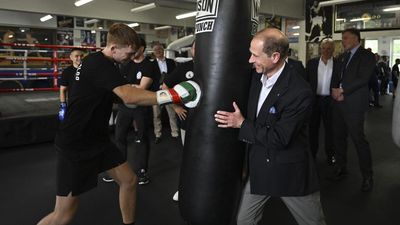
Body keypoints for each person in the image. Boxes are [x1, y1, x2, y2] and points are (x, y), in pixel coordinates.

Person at [36, 23, 200, 225]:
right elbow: (128, 97)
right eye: (129, 54)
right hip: (76, 143)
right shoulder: (99, 64)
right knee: (64, 214)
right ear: (114, 48)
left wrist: (131, 92)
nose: (131, 58)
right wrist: (172, 94)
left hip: (97, 140)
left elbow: (111, 95)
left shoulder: (105, 63)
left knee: (129, 181)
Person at [214, 28, 325, 225]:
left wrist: (241, 123)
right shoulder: (256, 77)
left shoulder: (299, 91)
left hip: (289, 171)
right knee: (244, 221)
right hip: (260, 168)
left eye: (255, 55)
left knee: (313, 223)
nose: (250, 60)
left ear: (275, 56)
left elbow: (279, 138)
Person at [330, 28, 375, 192]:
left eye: (346, 38)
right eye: (342, 38)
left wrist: (343, 91)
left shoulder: (367, 55)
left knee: (359, 140)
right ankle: (341, 168)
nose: (343, 41)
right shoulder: (342, 57)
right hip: (338, 103)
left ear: (356, 38)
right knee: (339, 138)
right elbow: (336, 77)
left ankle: (367, 176)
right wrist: (335, 90)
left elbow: (363, 79)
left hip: (354, 105)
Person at [112, 37, 155, 185]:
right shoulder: (126, 64)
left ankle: (142, 170)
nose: (132, 50)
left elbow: (141, 89)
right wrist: (130, 87)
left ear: (142, 48)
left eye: (136, 47)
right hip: (124, 106)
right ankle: (119, 169)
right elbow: (119, 85)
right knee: (119, 137)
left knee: (141, 138)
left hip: (141, 107)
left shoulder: (149, 65)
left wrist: (128, 87)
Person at [162, 41, 196, 201]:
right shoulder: (184, 68)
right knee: (189, 157)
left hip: (213, 124)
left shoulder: (216, 65)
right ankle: (184, 188)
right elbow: (164, 87)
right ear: (191, 49)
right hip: (188, 122)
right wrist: (175, 107)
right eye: (196, 47)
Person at [305, 38, 337, 164]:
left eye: (329, 48)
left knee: (330, 130)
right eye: (324, 48)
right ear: (320, 49)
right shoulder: (312, 63)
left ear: (333, 50)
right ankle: (312, 154)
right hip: (315, 101)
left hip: (330, 101)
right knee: (313, 129)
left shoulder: (338, 63)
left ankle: (331, 156)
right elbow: (306, 82)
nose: (326, 51)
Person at [151, 43, 179, 144]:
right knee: (156, 115)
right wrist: (158, 87)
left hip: (169, 91)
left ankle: (175, 133)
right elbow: (150, 80)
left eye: (160, 49)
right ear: (153, 52)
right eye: (156, 49)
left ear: (163, 50)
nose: (158, 51)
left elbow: (175, 76)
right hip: (157, 93)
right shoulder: (151, 64)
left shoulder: (171, 62)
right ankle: (158, 134)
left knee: (172, 114)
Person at [58, 48, 84, 121]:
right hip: (74, 105)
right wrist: (63, 106)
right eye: (76, 56)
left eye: (81, 56)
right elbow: (63, 89)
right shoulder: (67, 72)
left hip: (88, 104)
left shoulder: (89, 70)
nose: (79, 58)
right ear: (71, 57)